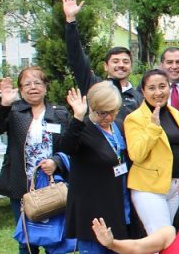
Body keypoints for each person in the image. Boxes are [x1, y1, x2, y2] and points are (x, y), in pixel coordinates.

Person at [0, 67, 71, 253]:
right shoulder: (14, 111)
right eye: (27, 84)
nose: (33, 87)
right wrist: (4, 104)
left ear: (45, 87)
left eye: (37, 83)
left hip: (51, 184)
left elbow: (69, 146)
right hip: (22, 184)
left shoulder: (59, 113)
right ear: (21, 89)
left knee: (54, 237)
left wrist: (56, 161)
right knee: (26, 239)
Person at [60, 82, 141, 253]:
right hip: (94, 208)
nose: (108, 117)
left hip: (120, 201)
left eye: (113, 111)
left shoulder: (118, 125)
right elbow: (67, 147)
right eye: (102, 113)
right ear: (91, 108)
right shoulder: (82, 128)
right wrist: (78, 117)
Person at [126, 70, 179, 235]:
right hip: (149, 188)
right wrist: (153, 127)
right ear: (143, 91)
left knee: (175, 237)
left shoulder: (174, 113)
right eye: (152, 88)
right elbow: (136, 154)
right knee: (161, 237)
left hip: (175, 187)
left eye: (162, 86)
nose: (158, 92)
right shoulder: (134, 118)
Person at [61, 0, 142, 120]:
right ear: (105, 66)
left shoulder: (138, 96)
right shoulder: (95, 86)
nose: (121, 65)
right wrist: (71, 21)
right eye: (115, 61)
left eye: (126, 61)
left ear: (131, 67)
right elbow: (77, 59)